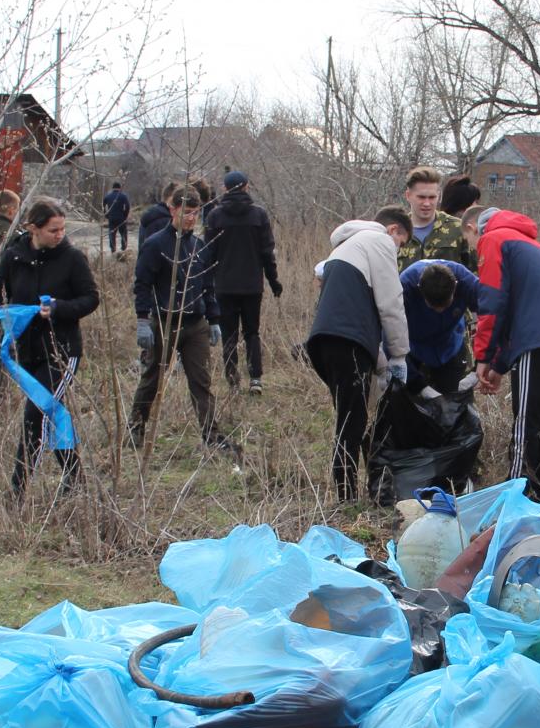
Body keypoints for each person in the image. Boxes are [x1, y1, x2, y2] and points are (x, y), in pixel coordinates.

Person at [0, 199, 99, 497]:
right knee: (49, 413)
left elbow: (90, 299)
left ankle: (17, 490)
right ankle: (75, 479)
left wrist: (58, 308)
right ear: (33, 229)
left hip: (62, 352)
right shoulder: (14, 256)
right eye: (53, 230)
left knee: (36, 412)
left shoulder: (72, 258)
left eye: (62, 229)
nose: (60, 235)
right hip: (27, 352)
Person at [472, 208, 540, 502]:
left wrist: (482, 357)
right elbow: (518, 310)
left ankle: (514, 491)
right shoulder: (529, 243)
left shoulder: (493, 239)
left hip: (537, 339)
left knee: (526, 420)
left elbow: (492, 303)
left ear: (476, 228)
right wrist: (498, 365)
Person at [307, 215, 411, 502]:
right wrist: (400, 355)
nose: (397, 251)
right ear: (393, 231)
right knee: (352, 422)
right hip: (347, 342)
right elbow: (390, 302)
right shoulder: (379, 240)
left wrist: (382, 364)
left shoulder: (345, 248)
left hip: (325, 342)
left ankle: (367, 489)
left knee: (355, 414)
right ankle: (347, 499)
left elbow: (357, 319)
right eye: (400, 244)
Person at [130, 184, 226, 452]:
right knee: (152, 378)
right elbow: (142, 284)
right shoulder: (155, 245)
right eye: (186, 212)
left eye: (196, 213)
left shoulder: (199, 246)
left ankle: (212, 435)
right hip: (164, 322)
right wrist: (142, 321)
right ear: (173, 210)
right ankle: (135, 429)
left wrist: (214, 319)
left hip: (196, 324)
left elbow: (207, 285)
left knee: (201, 382)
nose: (191, 218)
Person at [203, 169, 283, 394]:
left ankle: (232, 379)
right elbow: (267, 252)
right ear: (247, 187)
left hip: (224, 286)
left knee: (229, 333)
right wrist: (273, 280)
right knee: (252, 332)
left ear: (225, 188)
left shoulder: (215, 217)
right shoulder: (258, 215)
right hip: (251, 286)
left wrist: (205, 286)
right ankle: (255, 378)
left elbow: (208, 255)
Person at [400, 258, 482, 396]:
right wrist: (417, 384)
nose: (440, 311)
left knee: (452, 404)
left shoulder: (467, 282)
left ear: (455, 287)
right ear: (420, 289)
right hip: (414, 348)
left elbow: (490, 317)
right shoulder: (405, 287)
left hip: (451, 346)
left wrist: (482, 363)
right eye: (433, 307)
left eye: (446, 306)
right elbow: (390, 335)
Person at [396, 166, 477, 271]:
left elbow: (475, 275)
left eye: (432, 197)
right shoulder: (396, 231)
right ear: (408, 195)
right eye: (421, 197)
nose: (427, 203)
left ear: (439, 196)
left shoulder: (458, 229)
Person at [103, 180, 130, 256]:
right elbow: (127, 206)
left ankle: (113, 249)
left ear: (112, 188)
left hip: (111, 218)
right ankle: (123, 248)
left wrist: (106, 215)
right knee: (123, 233)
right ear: (120, 188)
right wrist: (125, 215)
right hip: (121, 217)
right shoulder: (123, 196)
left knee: (112, 233)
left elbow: (103, 205)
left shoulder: (108, 196)